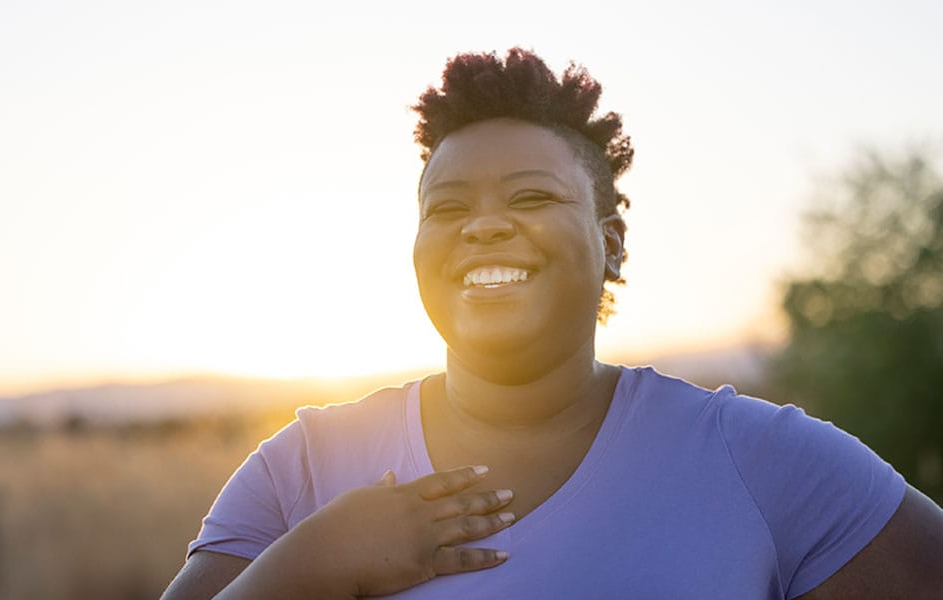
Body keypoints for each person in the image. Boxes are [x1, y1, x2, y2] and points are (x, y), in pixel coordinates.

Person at [162, 48, 943, 599]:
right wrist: (309, 564)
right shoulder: (300, 470)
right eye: (449, 208)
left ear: (611, 242)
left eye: (531, 199)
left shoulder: (758, 459)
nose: (483, 228)